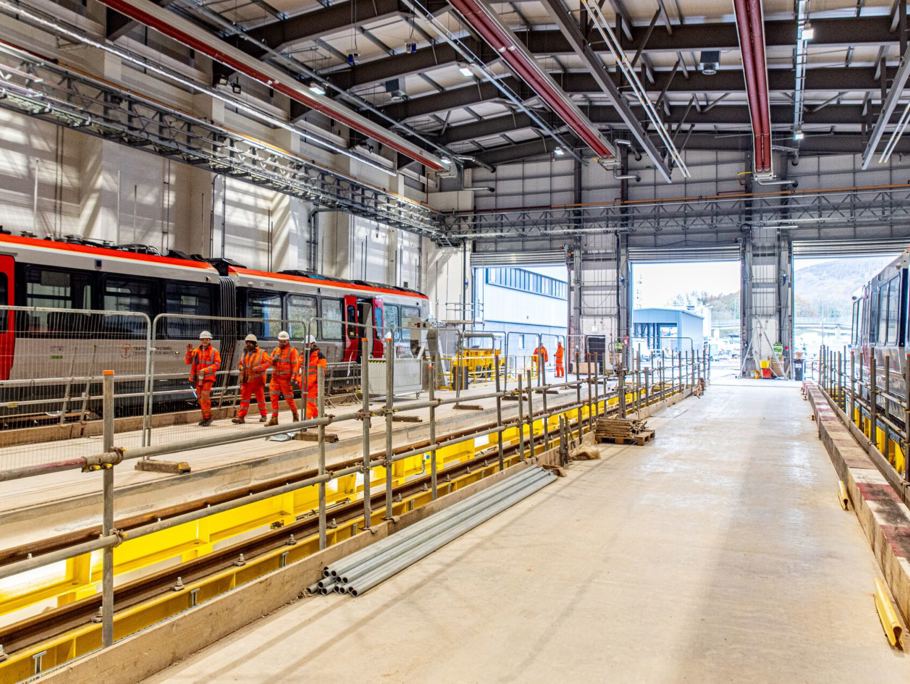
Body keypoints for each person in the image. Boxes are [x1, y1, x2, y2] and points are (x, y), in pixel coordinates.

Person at [185, 330, 221, 426]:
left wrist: (206, 370)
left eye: (206, 339)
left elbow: (217, 365)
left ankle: (208, 417)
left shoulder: (214, 351)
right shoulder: (196, 351)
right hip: (198, 379)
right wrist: (188, 352)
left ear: (210, 340)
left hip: (208, 378)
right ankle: (205, 418)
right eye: (203, 339)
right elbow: (188, 361)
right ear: (201, 340)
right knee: (201, 398)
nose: (205, 341)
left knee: (205, 396)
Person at [232, 334, 270, 424]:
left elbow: (268, 362)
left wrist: (259, 368)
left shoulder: (261, 353)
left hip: (257, 381)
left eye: (250, 343)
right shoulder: (244, 353)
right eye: (247, 342)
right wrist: (241, 367)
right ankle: (241, 417)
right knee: (244, 399)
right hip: (247, 380)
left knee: (260, 399)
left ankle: (264, 416)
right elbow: (241, 363)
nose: (248, 344)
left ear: (254, 343)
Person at [267, 330, 300, 426]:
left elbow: (295, 366)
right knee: (273, 398)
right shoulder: (275, 350)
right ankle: (274, 418)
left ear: (288, 341)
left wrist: (293, 378)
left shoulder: (293, 351)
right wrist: (273, 359)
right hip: (275, 379)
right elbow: (270, 361)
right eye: (280, 341)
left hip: (286, 380)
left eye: (284, 341)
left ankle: (295, 415)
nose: (282, 343)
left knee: (289, 399)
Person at [303, 335, 328, 419]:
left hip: (313, 383)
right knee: (310, 403)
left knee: (309, 403)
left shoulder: (319, 355)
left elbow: (322, 370)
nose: (306, 346)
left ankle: (307, 420)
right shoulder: (304, 354)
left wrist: (317, 381)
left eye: (307, 344)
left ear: (313, 344)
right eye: (305, 344)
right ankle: (317, 417)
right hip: (305, 383)